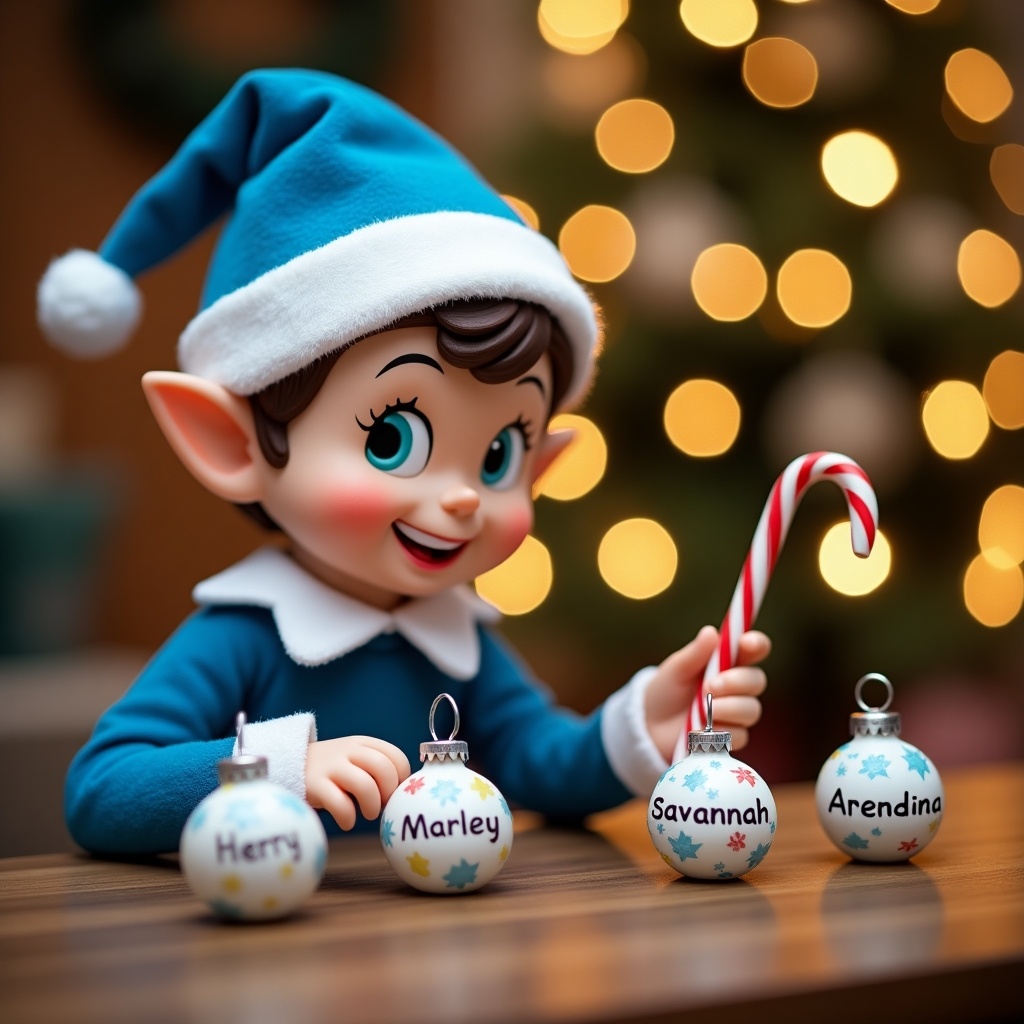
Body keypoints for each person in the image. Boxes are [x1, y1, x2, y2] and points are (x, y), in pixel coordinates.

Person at [38, 69, 769, 856]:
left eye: (498, 456)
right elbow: (104, 789)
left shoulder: (457, 637)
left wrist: (640, 728)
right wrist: (280, 767)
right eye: (393, 440)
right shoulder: (243, 639)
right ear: (231, 441)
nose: (460, 498)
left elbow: (539, 763)